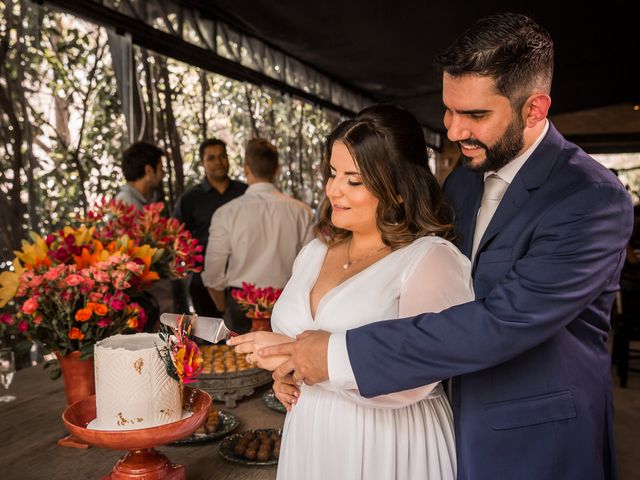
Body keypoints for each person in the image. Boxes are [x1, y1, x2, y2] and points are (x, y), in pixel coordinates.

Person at [256, 13, 633, 480]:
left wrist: (334, 356)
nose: (453, 131)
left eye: (475, 115)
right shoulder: (463, 181)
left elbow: (502, 320)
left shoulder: (590, 199)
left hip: (533, 438)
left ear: (534, 109)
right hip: (437, 420)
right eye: (449, 110)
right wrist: (300, 360)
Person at [230, 106, 474, 479]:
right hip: (312, 432)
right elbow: (305, 344)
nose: (333, 190)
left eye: (354, 180)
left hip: (389, 442)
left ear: (398, 190)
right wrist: (288, 369)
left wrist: (311, 362)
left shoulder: (430, 260)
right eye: (332, 173)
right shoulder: (314, 252)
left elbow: (420, 371)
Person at [202, 138, 314, 333]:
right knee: (286, 362)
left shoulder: (226, 213)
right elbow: (312, 267)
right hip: (286, 301)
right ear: (277, 169)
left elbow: (213, 274)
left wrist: (224, 306)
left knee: (240, 362)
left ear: (246, 169)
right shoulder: (302, 212)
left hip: (241, 303)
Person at [173, 139, 247, 317]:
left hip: (243, 279)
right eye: (212, 158)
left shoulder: (245, 192)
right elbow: (178, 239)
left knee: (242, 338)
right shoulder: (190, 199)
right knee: (210, 341)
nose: (219, 162)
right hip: (203, 283)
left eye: (222, 156)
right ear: (203, 163)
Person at [115, 141, 165, 210]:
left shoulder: (136, 200)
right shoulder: (128, 204)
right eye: (161, 168)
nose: (163, 174)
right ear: (149, 171)